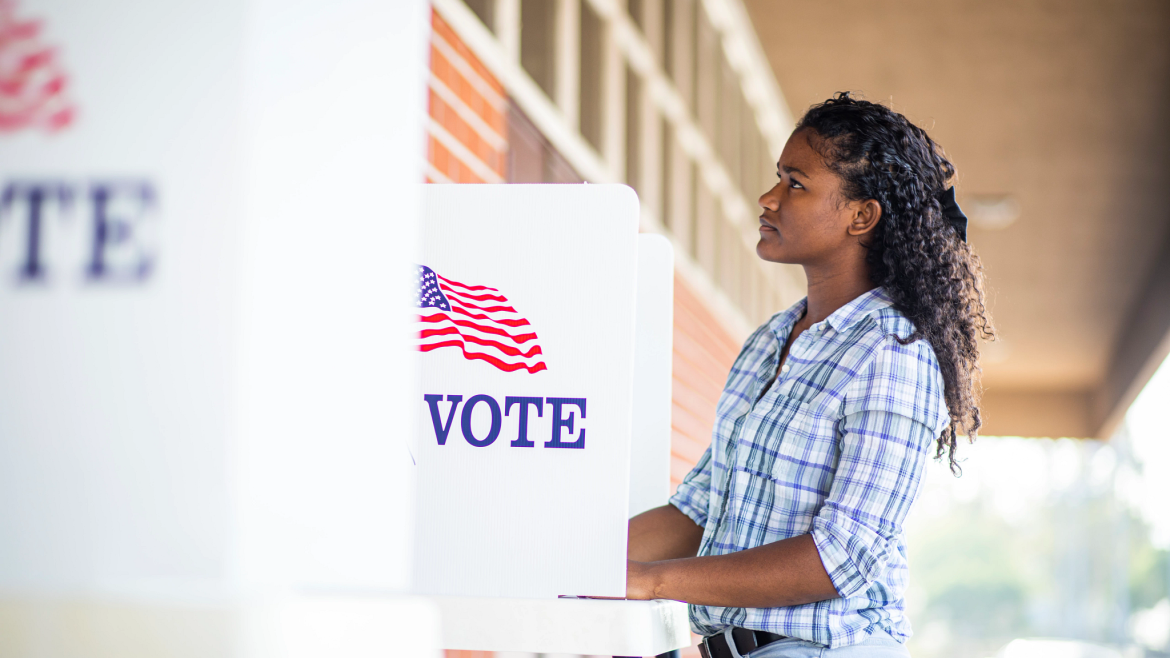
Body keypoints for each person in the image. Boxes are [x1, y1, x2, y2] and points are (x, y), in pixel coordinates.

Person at [623, 92, 995, 658]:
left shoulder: (894, 352)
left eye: (795, 183)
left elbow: (840, 556)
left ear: (861, 216)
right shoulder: (770, 339)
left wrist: (650, 581)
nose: (768, 199)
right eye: (778, 178)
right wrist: (578, 558)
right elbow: (700, 508)